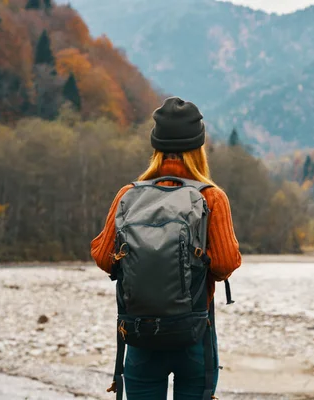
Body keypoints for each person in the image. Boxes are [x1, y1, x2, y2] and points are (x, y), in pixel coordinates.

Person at [90, 97, 242, 399]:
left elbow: (104, 258)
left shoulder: (128, 195)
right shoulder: (211, 197)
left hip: (141, 335)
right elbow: (225, 265)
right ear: (199, 148)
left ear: (155, 146)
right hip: (194, 333)